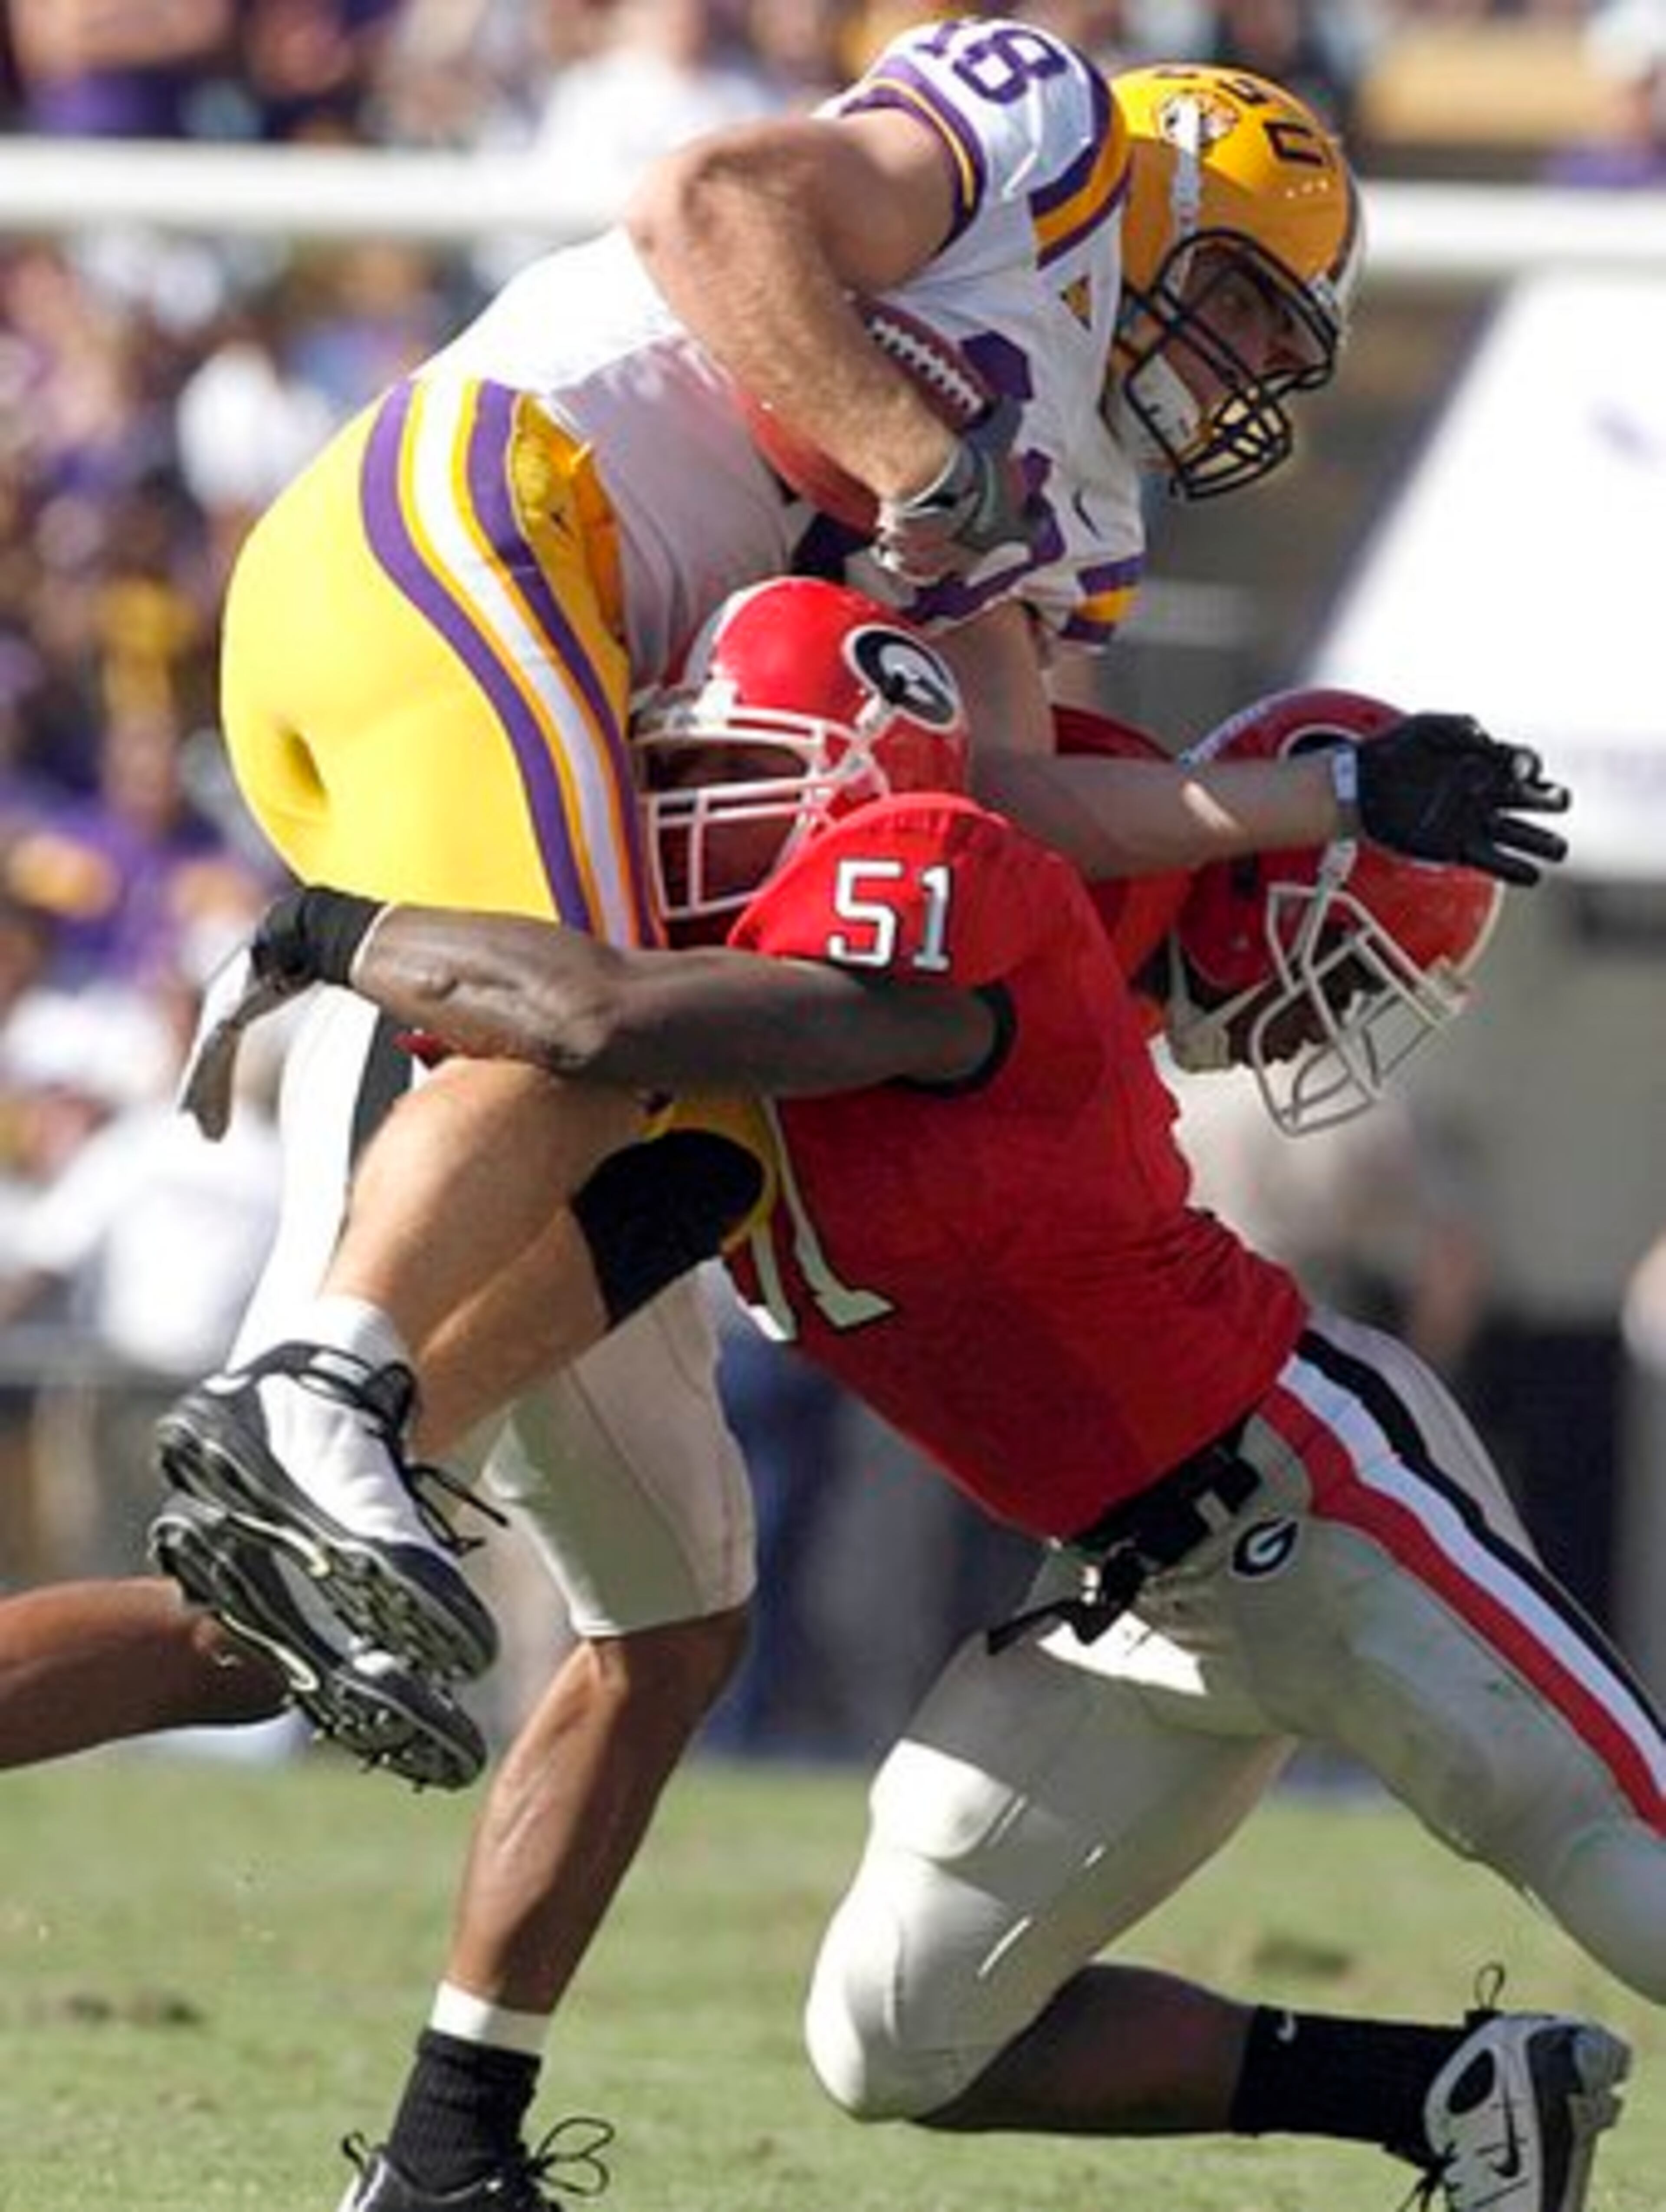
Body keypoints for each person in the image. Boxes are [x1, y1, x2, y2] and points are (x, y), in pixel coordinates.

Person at [162, 584, 1620, 2212]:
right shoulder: (763, 1026)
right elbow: (617, 1161)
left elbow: (593, 1012)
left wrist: (325, 929)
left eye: (733, 769)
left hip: (1308, 1483)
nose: (693, 808)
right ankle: (1463, 2093)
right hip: (1126, 1594)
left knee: (1620, 1863)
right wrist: (390, 1424)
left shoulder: (932, 883)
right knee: (897, 2040)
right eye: (683, 769)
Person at [159, 23, 1385, 1708]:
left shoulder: (1077, 495)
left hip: (521, 624)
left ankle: (390, 1445)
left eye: (1276, 344)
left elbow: (1001, 790)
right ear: (1176, 204)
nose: (1243, 364)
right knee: (605, 1029)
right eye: (1243, 300)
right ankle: (312, 1392)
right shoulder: (1046, 145)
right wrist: (912, 451)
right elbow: (704, 204)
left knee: (708, 1130)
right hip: (485, 508)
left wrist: (1322, 802)